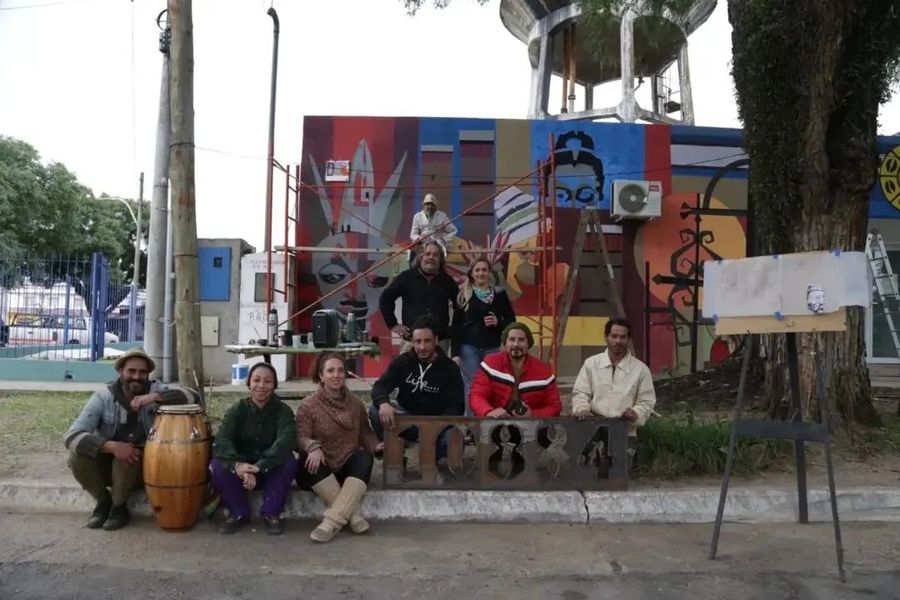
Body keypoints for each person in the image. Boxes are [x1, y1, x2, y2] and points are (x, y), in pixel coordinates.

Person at [63, 347, 199, 531]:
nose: (136, 377)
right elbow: (71, 436)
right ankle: (103, 502)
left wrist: (154, 397)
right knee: (77, 457)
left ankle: (119, 507)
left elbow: (193, 396)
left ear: (148, 374)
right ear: (121, 371)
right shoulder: (103, 397)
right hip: (108, 467)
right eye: (131, 371)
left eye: (142, 372)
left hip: (144, 470)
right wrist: (111, 446)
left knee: (128, 455)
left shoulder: (155, 391)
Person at [296, 352, 378, 543]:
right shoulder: (308, 405)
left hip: (345, 467)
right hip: (319, 470)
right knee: (308, 459)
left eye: (340, 370)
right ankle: (353, 514)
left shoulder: (355, 404)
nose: (336, 375)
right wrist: (313, 447)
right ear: (321, 375)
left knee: (364, 457)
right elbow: (300, 437)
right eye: (330, 370)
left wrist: (377, 446)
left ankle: (330, 523)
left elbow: (365, 433)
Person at [210, 362, 298, 535]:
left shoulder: (283, 411)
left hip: (269, 470)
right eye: (256, 380)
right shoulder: (237, 410)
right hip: (240, 474)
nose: (261, 386)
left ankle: (272, 512)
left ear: (274, 385)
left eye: (267, 381)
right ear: (249, 383)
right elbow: (222, 440)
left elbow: (286, 440)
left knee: (289, 461)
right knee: (217, 464)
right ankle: (238, 512)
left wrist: (259, 466)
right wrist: (238, 466)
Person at [368, 316, 465, 456]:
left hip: (436, 424)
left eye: (427, 341)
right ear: (412, 342)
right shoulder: (403, 362)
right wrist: (384, 403)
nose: (422, 347)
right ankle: (396, 453)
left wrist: (435, 427)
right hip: (407, 421)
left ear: (436, 340)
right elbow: (380, 386)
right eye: (418, 341)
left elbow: (457, 407)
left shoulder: (450, 368)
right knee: (375, 410)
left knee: (455, 439)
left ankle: (435, 459)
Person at [571, 318, 657, 470]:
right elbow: (580, 392)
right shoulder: (591, 364)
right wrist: (582, 409)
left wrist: (635, 413)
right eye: (614, 336)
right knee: (588, 473)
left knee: (619, 475)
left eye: (622, 337)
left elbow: (647, 401)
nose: (618, 341)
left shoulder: (641, 369)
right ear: (606, 337)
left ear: (628, 339)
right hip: (593, 428)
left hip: (624, 430)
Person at [451, 257, 516, 404]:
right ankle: (471, 418)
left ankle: (489, 416)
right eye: (477, 270)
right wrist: (455, 353)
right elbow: (456, 326)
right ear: (472, 273)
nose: (481, 273)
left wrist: (498, 322)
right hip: (469, 347)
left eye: (484, 270)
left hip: (492, 347)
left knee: (492, 385)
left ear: (489, 272)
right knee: (473, 386)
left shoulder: (499, 294)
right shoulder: (463, 295)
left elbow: (512, 321)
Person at [379, 239, 458, 353]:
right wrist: (393, 325)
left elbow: (460, 305)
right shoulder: (406, 278)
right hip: (411, 341)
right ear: (420, 257)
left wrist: (453, 329)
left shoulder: (447, 281)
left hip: (439, 342)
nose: (431, 257)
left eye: (435, 255)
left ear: (440, 260)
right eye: (427, 254)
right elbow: (385, 298)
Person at [469, 322, 561, 418]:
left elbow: (555, 405)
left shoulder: (543, 370)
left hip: (532, 425)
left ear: (528, 343)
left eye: (521, 340)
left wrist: (533, 414)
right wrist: (489, 411)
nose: (516, 344)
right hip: (495, 422)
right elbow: (476, 395)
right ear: (505, 343)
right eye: (512, 339)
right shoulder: (491, 363)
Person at [409, 193, 457, 258]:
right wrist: (419, 238)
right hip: (422, 244)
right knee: (413, 256)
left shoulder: (442, 216)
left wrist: (443, 240)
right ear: (423, 205)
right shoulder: (417, 216)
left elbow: (453, 230)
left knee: (438, 259)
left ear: (435, 206)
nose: (429, 207)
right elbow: (413, 234)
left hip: (438, 244)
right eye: (427, 204)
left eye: (432, 204)